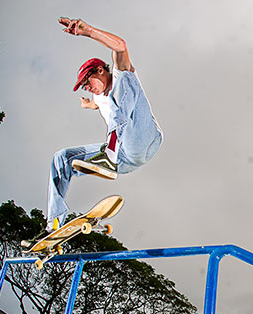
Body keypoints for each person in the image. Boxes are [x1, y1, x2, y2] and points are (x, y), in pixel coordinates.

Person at [22, 17, 162, 247]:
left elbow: (121, 46)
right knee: (62, 159)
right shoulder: (99, 96)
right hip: (123, 158)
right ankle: (54, 224)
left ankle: (109, 155)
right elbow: (101, 102)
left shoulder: (120, 74)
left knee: (123, 85)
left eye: (88, 83)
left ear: (100, 70)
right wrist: (91, 105)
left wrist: (88, 32)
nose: (88, 88)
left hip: (145, 139)